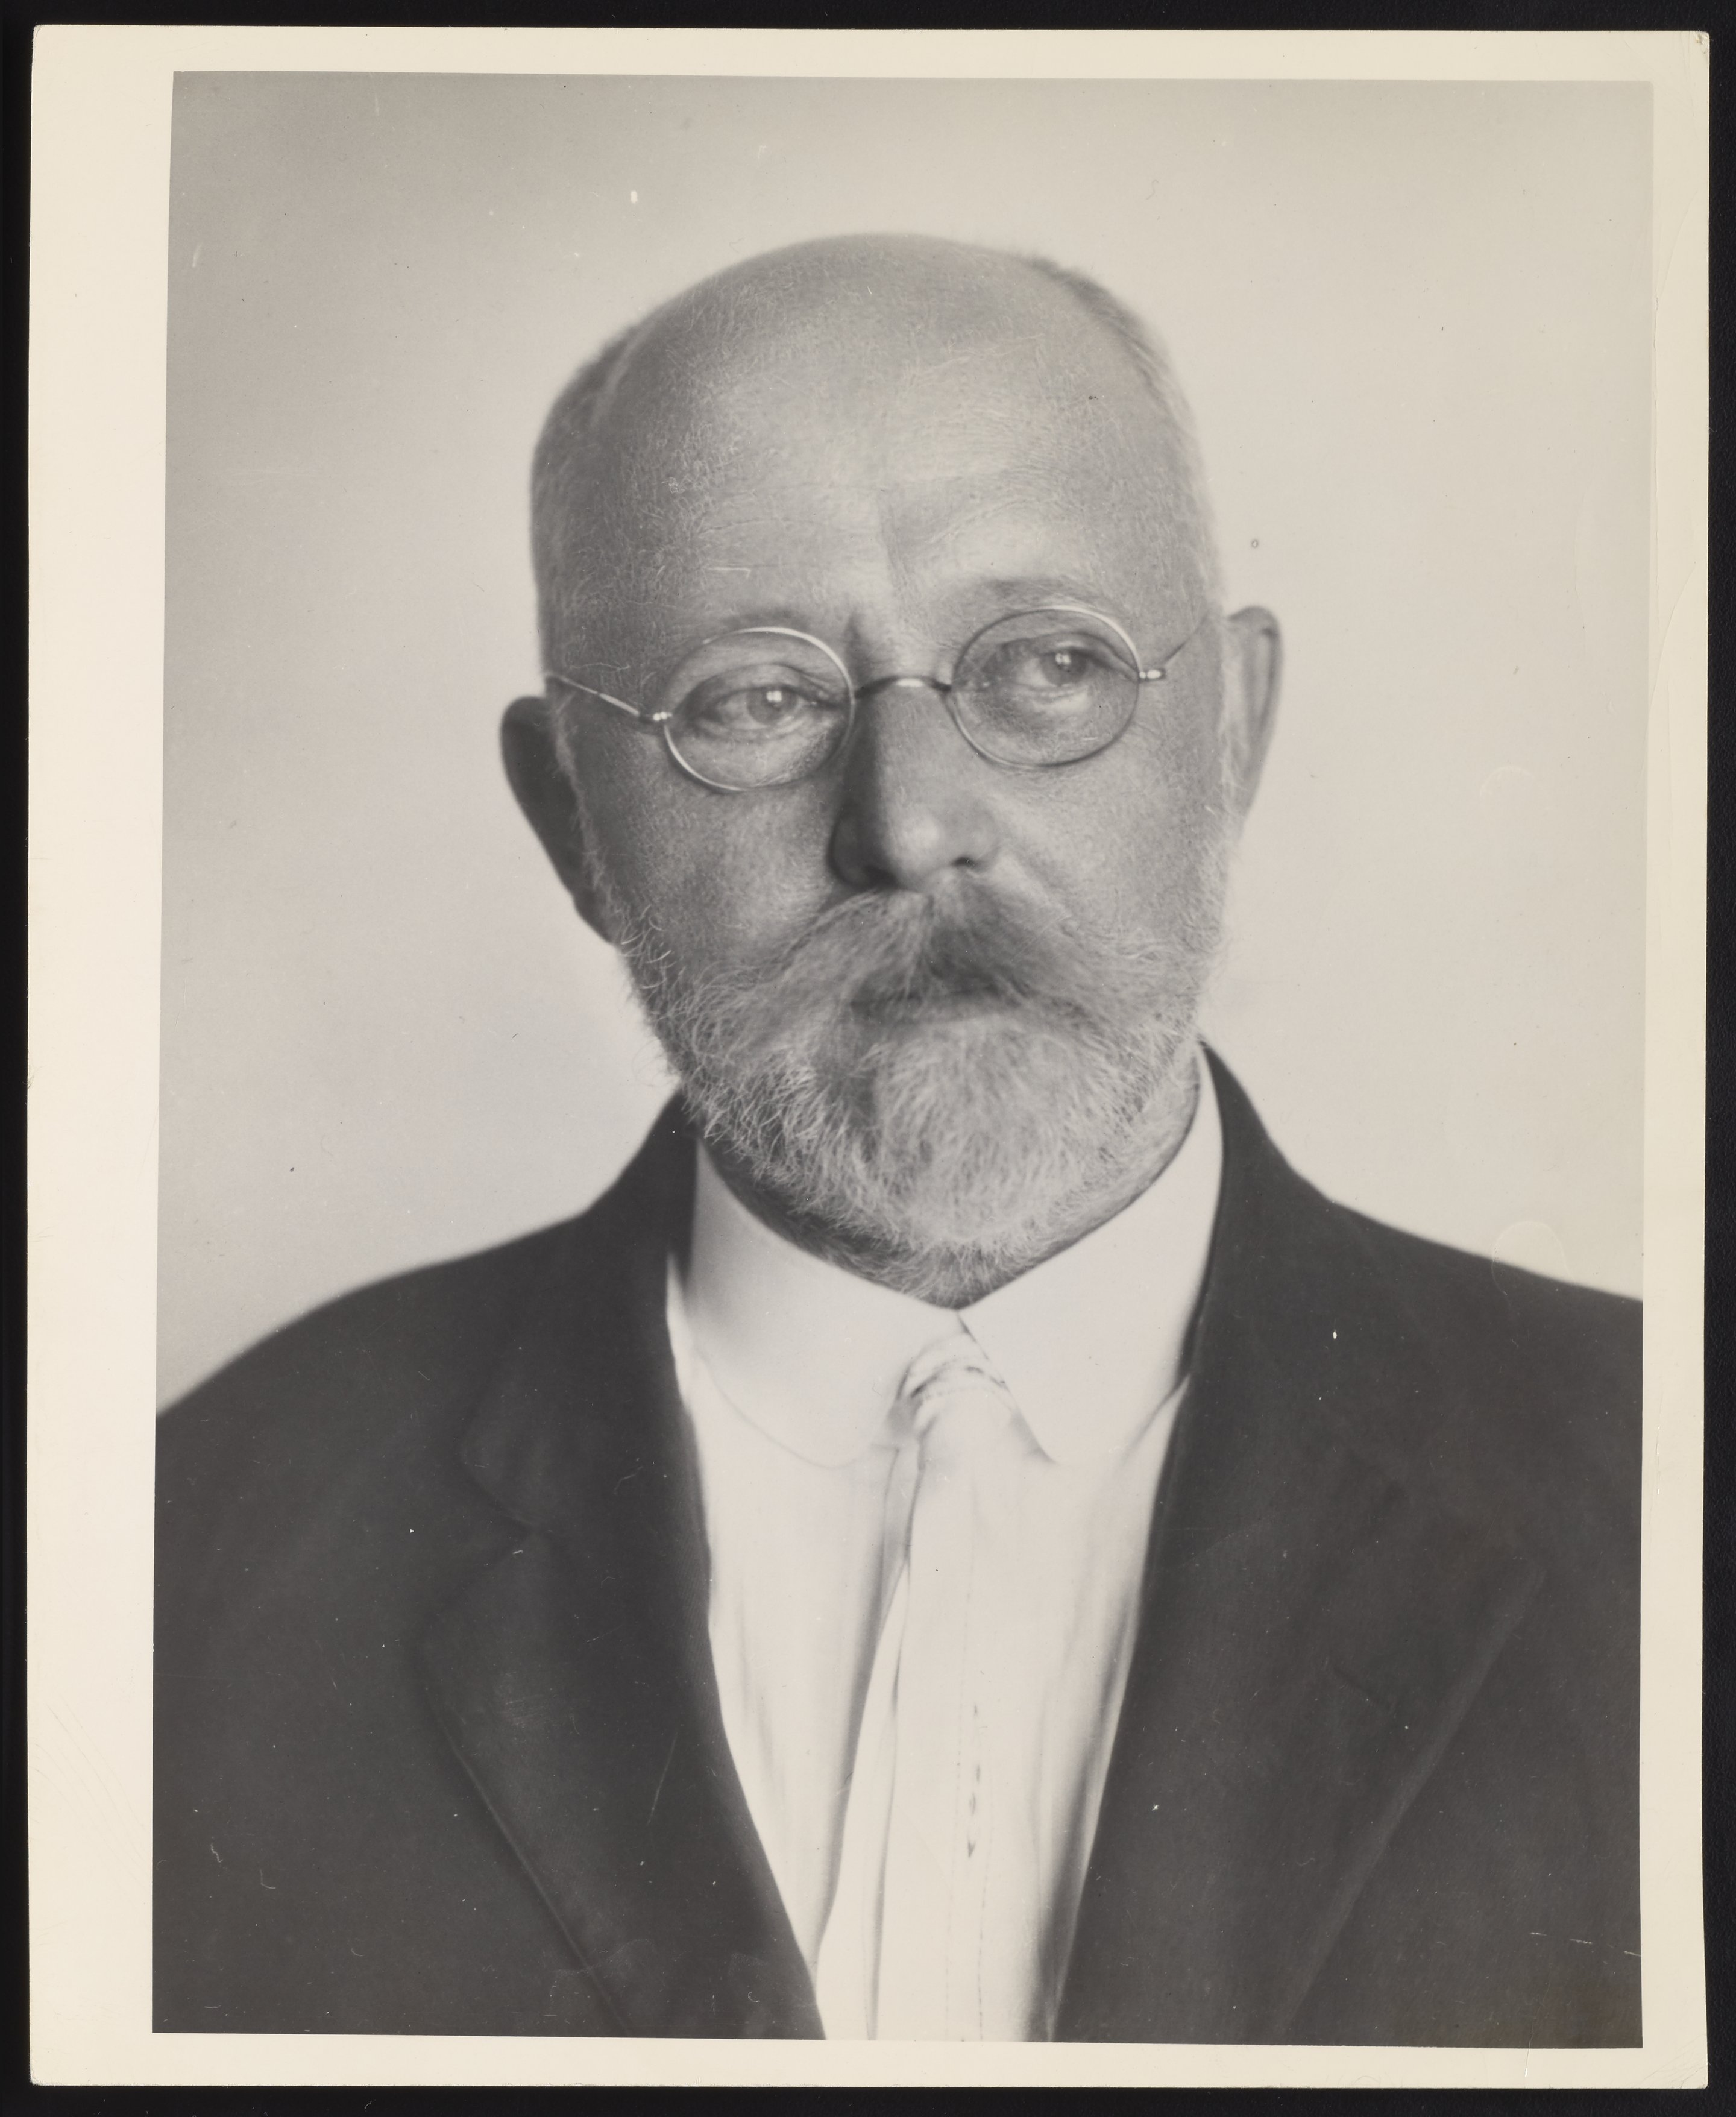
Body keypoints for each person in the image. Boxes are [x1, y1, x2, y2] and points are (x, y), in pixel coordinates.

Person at [153, 234, 1640, 2045]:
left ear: (1237, 729)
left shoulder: (1659, 1491)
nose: (912, 825)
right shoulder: (191, 1559)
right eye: (754, 699)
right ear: (572, 824)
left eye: (1050, 665)